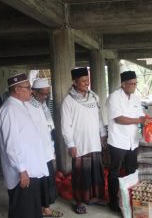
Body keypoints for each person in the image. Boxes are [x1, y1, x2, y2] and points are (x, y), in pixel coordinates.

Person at [0, 73, 49, 218]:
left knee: (31, 209)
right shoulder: (9, 110)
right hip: (22, 172)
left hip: (30, 168)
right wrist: (21, 170)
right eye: (28, 88)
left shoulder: (21, 106)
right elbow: (11, 144)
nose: (31, 91)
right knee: (22, 211)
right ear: (17, 90)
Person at [61, 67, 107, 214]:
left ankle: (95, 197)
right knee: (81, 174)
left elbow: (98, 118)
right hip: (80, 143)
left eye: (87, 80)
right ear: (74, 82)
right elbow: (65, 125)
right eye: (83, 81)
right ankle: (79, 201)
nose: (86, 83)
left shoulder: (93, 97)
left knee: (96, 172)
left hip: (94, 141)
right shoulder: (68, 101)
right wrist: (70, 144)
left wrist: (102, 133)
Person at [106, 70, 146, 212]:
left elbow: (142, 116)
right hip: (118, 141)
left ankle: (129, 201)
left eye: (136, 84)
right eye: (131, 84)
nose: (134, 86)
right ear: (123, 84)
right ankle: (113, 203)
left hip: (132, 142)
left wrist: (150, 123)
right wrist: (139, 120)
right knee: (115, 172)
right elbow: (119, 118)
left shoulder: (135, 98)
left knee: (131, 170)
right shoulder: (114, 97)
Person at [29, 78, 63, 217]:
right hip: (36, 152)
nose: (46, 96)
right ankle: (41, 209)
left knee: (48, 180)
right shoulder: (28, 106)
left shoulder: (42, 104)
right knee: (39, 181)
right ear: (34, 92)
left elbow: (49, 124)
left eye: (48, 94)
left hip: (47, 149)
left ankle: (46, 208)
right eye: (43, 94)